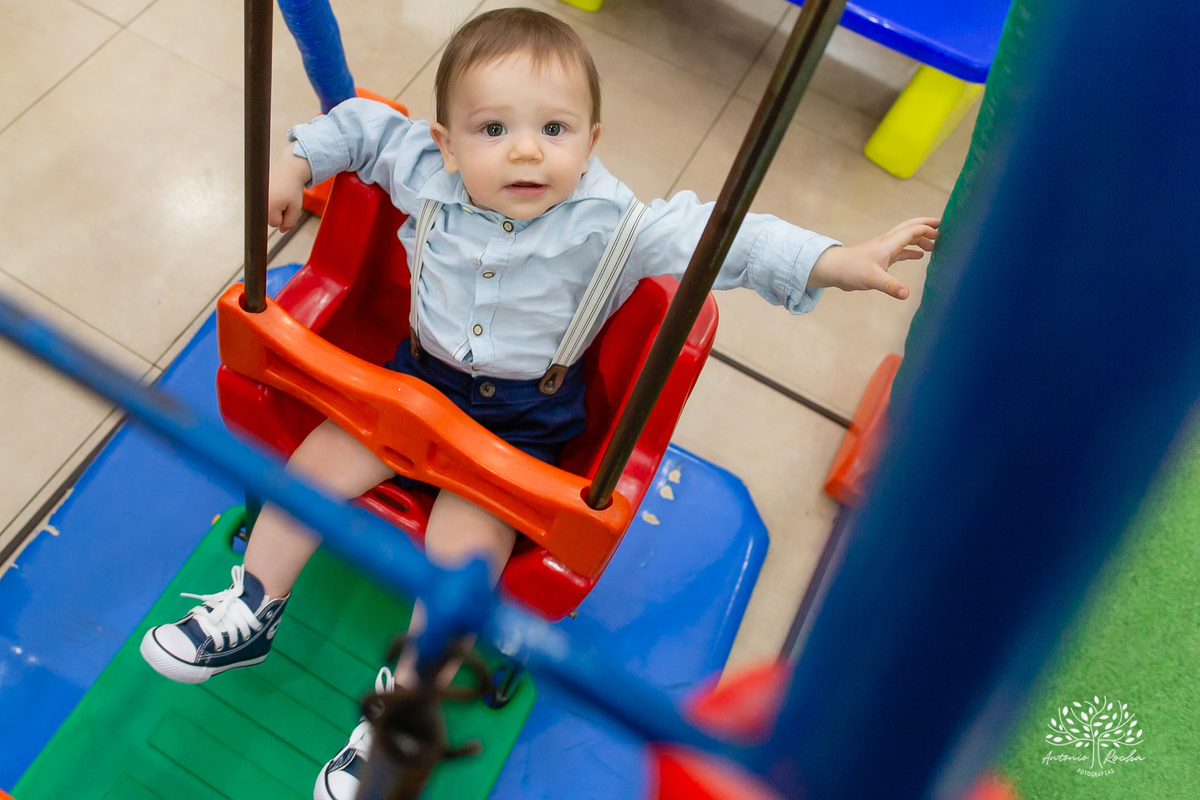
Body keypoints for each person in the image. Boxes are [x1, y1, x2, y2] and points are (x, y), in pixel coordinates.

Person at [139, 7, 938, 799]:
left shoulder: (616, 228)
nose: (526, 149)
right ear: (446, 144)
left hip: (517, 432)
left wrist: (835, 259)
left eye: (555, 129)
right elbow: (361, 124)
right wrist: (295, 162)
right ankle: (252, 608)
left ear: (593, 139)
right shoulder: (419, 163)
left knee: (463, 562)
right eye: (493, 130)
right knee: (308, 468)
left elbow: (727, 236)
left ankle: (399, 713)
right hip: (415, 383)